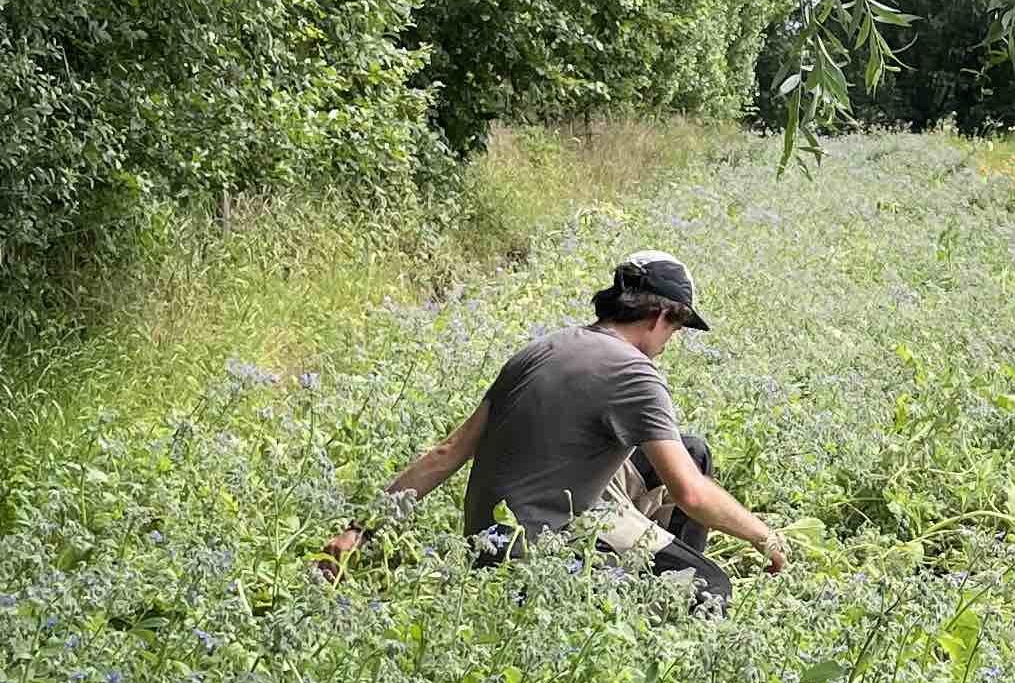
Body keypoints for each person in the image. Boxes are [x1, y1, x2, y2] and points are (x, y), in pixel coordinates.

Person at [321, 252, 787, 607]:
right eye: (677, 328)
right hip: (541, 549)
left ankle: (664, 564)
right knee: (708, 586)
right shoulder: (635, 374)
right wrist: (763, 535)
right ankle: (660, 613)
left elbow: (448, 452)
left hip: (489, 538)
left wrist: (360, 530)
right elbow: (692, 495)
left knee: (692, 450)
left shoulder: (543, 348)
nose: (671, 340)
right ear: (663, 316)